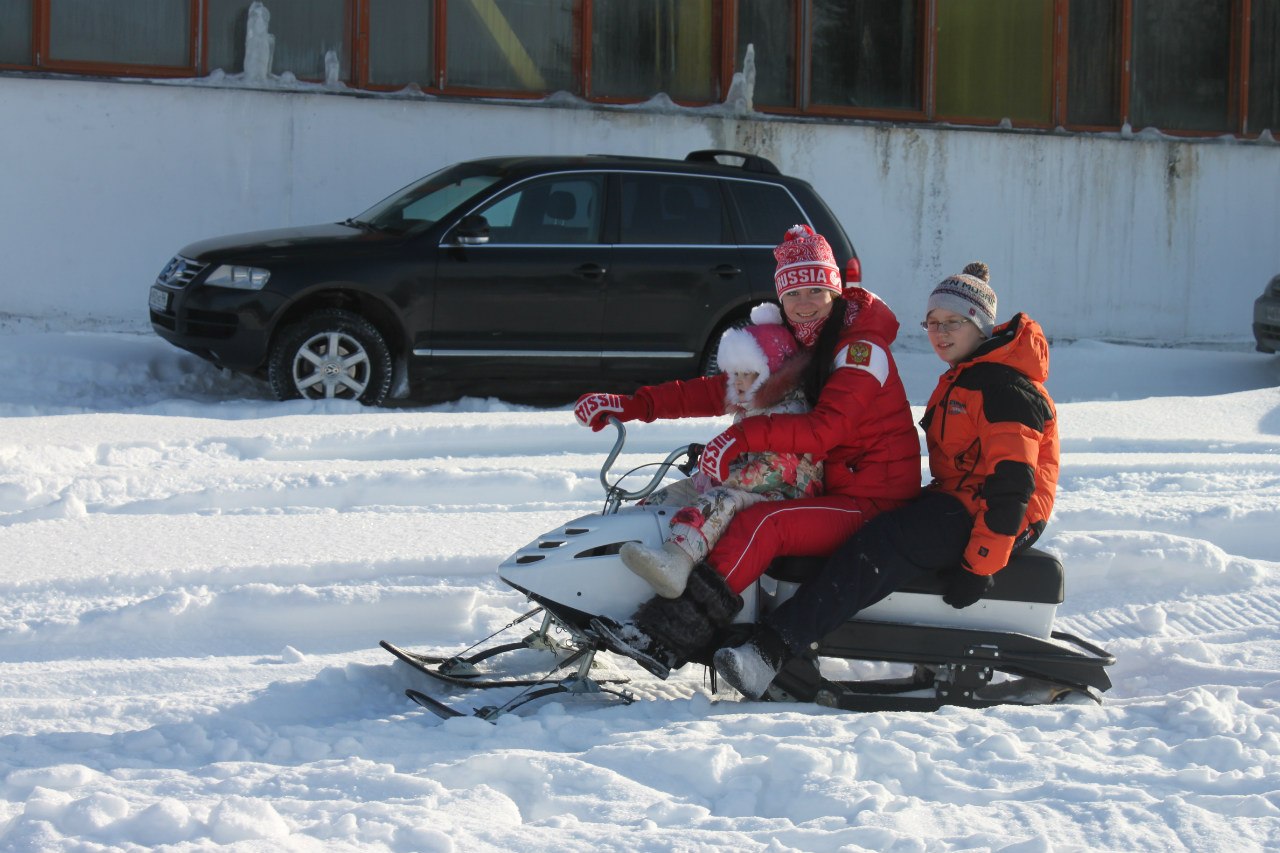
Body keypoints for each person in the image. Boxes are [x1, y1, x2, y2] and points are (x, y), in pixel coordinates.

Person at [573, 224, 921, 677]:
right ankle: (617, 595)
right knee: (683, 498)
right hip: (832, 484)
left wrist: (739, 439)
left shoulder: (860, 351)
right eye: (794, 293)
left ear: (835, 290)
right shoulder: (803, 342)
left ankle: (668, 634)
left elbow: (825, 431)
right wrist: (635, 404)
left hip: (874, 499)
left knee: (762, 523)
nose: (805, 303)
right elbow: (731, 385)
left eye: (817, 289)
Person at [713, 261, 1060, 699]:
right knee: (872, 531)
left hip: (996, 515)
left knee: (882, 543)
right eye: (932, 323)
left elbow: (1013, 485)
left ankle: (769, 652)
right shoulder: (968, 375)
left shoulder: (1005, 387)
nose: (940, 333)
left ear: (980, 324)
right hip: (961, 502)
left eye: (953, 322)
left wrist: (980, 564)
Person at [619, 303, 823, 600]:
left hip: (782, 494)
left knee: (718, 500)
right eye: (735, 373)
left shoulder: (791, 411)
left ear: (773, 374)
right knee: (680, 492)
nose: (738, 381)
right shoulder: (753, 406)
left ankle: (676, 562)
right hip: (749, 485)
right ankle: (623, 537)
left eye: (748, 373)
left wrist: (724, 476)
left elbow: (777, 470)